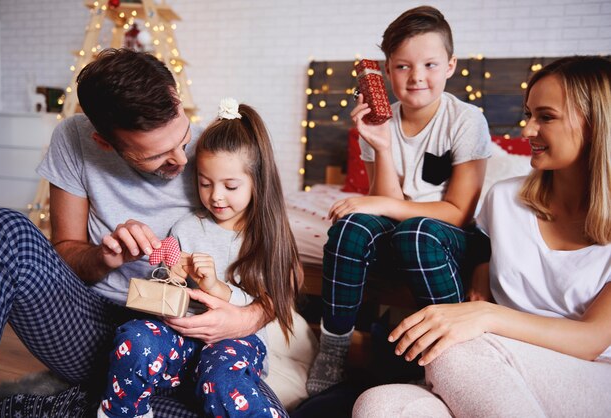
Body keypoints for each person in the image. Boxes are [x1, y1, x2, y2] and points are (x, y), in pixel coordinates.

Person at [0, 49, 286, 417]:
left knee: (249, 407)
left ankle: (55, 407)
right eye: (158, 156)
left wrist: (245, 318)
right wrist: (105, 256)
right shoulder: (75, 140)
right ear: (106, 144)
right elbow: (65, 252)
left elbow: (282, 265)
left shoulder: (218, 150)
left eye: (183, 138)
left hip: (192, 339)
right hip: (93, 324)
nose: (182, 161)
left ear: (176, 97)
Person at [353, 56, 611, 417]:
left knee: (455, 350)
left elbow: (591, 340)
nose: (527, 131)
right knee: (378, 405)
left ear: (598, 124)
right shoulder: (504, 199)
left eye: (546, 117)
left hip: (589, 372)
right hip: (492, 363)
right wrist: (479, 274)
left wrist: (485, 316)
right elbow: (481, 250)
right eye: (528, 114)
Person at [307, 6, 491, 395]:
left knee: (416, 232)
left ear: (451, 65)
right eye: (403, 66)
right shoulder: (380, 119)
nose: (417, 77)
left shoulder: (467, 120)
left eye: (429, 64)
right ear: (387, 70)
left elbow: (458, 213)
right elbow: (385, 202)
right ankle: (334, 348)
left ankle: (455, 353)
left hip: (449, 239)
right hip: (402, 230)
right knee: (351, 226)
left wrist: (379, 205)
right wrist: (380, 146)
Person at [98, 99, 302, 418]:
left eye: (230, 186)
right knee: (134, 336)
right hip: (180, 336)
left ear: (257, 182)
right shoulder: (186, 228)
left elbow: (270, 297)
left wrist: (218, 289)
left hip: (235, 341)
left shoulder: (266, 237)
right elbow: (160, 291)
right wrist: (173, 277)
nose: (216, 196)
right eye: (205, 183)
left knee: (224, 381)